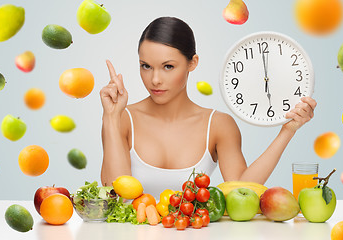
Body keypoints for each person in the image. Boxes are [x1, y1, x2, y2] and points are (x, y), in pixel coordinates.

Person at [100, 17, 317, 197]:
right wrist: (110, 117)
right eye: (146, 66)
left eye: (168, 66)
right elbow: (114, 192)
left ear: (192, 63)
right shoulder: (122, 118)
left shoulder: (219, 125)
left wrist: (288, 130)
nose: (155, 79)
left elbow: (241, 189)